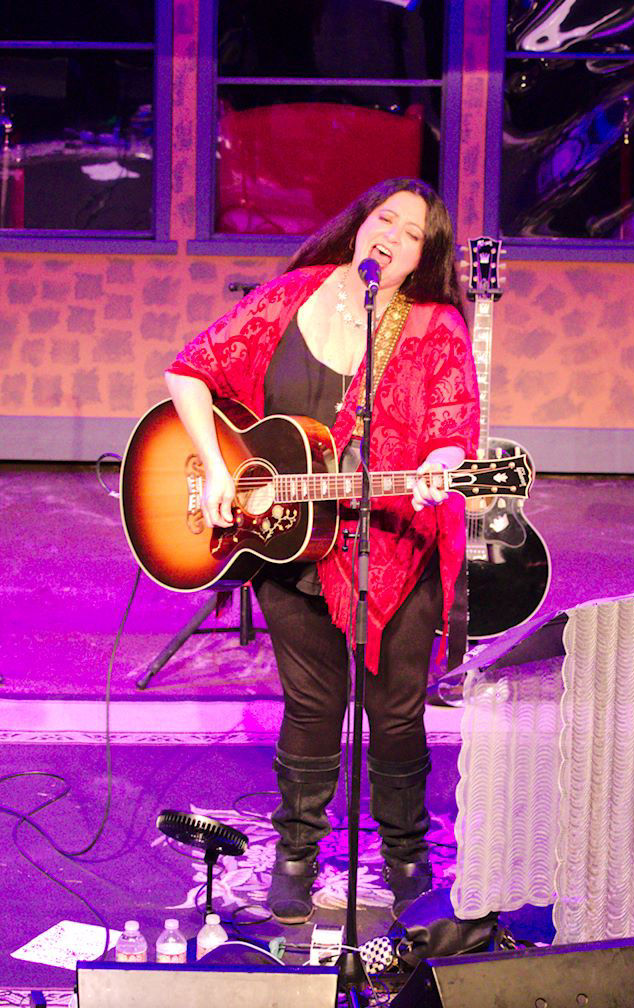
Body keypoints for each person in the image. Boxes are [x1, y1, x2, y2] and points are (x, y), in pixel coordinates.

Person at [163, 177, 479, 922]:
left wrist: (440, 465)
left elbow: (452, 428)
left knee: (395, 715)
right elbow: (189, 370)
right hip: (287, 539)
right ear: (358, 223)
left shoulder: (435, 327)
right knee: (311, 705)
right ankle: (297, 852)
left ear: (421, 259)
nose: (392, 236)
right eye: (384, 219)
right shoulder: (292, 295)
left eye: (412, 234)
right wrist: (216, 465)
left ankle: (406, 852)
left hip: (394, 552)